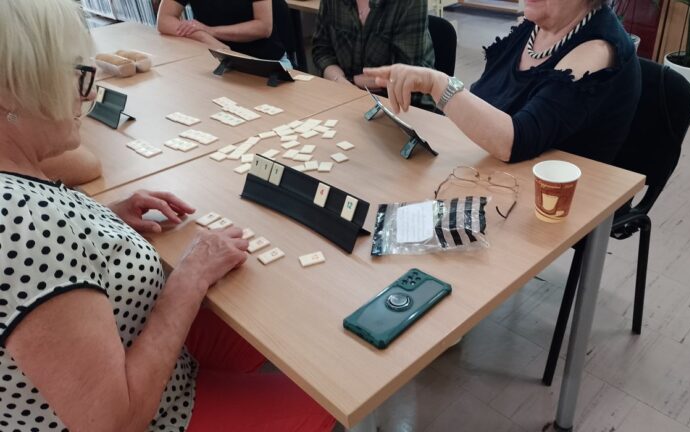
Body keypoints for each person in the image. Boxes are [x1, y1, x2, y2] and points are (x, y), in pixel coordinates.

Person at [0, 1, 335, 431]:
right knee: (322, 394)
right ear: (11, 92)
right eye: (72, 74)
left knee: (282, 323)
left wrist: (106, 219)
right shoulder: (26, 222)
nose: (87, 93)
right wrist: (190, 277)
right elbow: (114, 422)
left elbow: (55, 260)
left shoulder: (22, 194)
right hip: (159, 413)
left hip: (132, 340)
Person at [364, 0, 641, 164]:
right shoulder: (535, 28)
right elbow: (485, 102)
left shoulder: (598, 50)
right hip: (490, 169)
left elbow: (516, 141)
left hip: (551, 201)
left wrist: (437, 84)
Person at [312, 0, 435, 103]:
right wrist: (339, 80)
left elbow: (407, 73)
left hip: (403, 104)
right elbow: (322, 50)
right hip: (345, 97)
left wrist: (351, 81)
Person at [157, 0, 290, 63]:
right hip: (218, 59)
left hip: (262, 62)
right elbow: (164, 20)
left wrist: (211, 31)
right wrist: (205, 37)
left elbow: (263, 27)